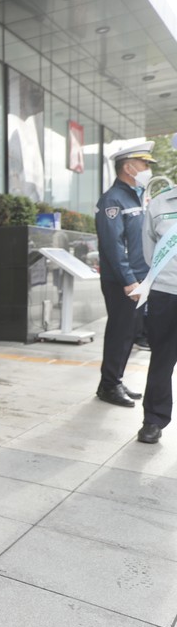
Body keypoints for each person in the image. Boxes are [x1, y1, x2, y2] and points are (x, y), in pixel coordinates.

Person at [94, 142, 155, 408]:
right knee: (120, 332)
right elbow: (113, 245)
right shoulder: (112, 199)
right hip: (122, 280)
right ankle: (109, 385)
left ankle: (112, 381)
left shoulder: (136, 196)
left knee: (129, 333)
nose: (147, 169)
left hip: (138, 278)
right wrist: (129, 280)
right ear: (128, 167)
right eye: (144, 164)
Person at [136, 183, 177, 444]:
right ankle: (153, 419)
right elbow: (148, 248)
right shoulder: (160, 203)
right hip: (166, 292)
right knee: (162, 358)